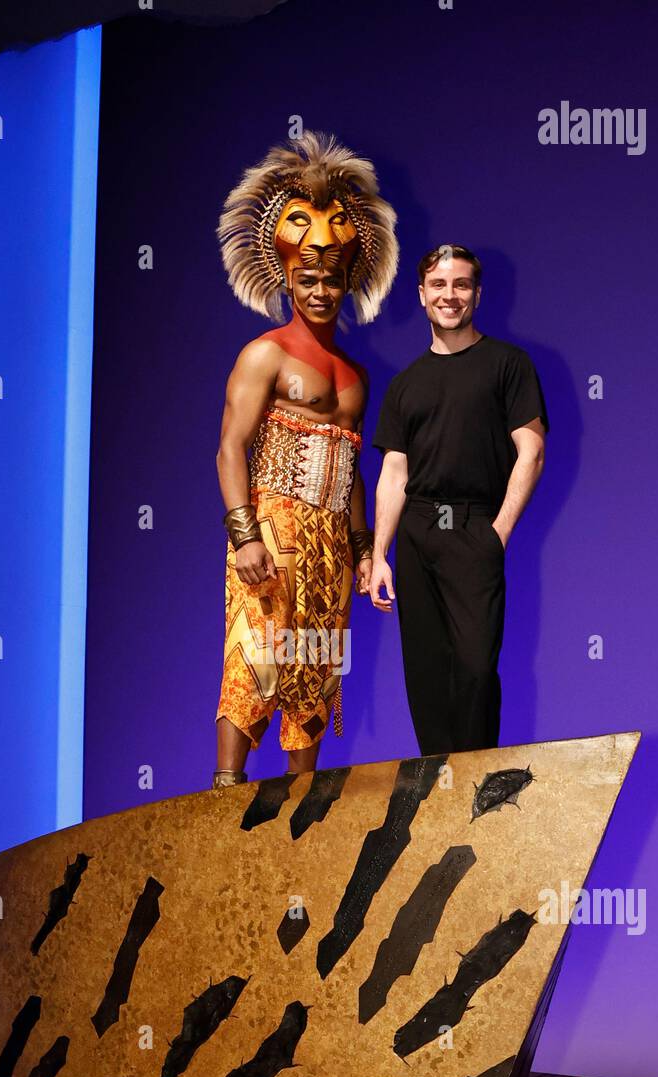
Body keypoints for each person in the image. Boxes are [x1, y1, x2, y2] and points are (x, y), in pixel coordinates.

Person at [213, 131, 399, 788]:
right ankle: (223, 797)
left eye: (331, 278)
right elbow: (231, 446)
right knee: (257, 657)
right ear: (287, 276)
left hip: (330, 543)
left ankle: (298, 807)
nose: (320, 288)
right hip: (275, 525)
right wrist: (244, 535)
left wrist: (363, 550)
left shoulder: (354, 376)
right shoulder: (264, 355)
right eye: (307, 277)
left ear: (348, 280)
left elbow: (350, 467)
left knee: (315, 669)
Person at [370, 244, 548, 754]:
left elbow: (531, 451)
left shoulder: (507, 364)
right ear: (422, 295)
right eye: (439, 286)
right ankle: (440, 791)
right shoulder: (404, 385)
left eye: (461, 285)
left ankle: (475, 784)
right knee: (426, 677)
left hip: (474, 529)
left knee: (474, 668)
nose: (450, 295)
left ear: (477, 294)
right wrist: (379, 554)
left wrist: (498, 533)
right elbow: (394, 471)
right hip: (416, 532)